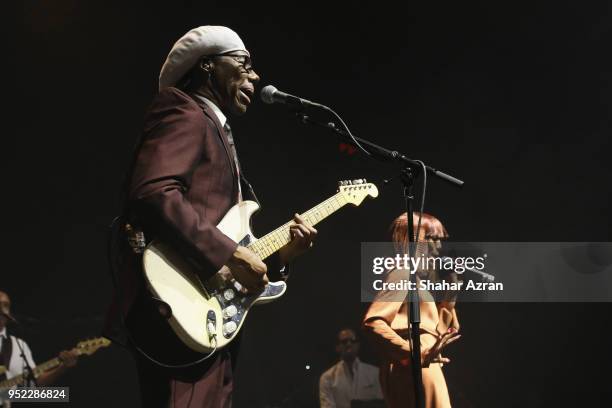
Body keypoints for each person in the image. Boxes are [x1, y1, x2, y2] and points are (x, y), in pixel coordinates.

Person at [105, 26, 317, 408]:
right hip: (176, 307)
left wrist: (279, 258)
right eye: (244, 63)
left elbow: (224, 230)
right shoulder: (184, 110)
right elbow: (154, 192)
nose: (254, 76)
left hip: (209, 313)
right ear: (207, 65)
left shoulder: (217, 130)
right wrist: (230, 256)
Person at [362, 212, 460, 408]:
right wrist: (413, 354)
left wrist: (451, 294)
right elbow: (373, 322)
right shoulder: (402, 273)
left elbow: (438, 332)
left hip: (422, 365)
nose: (439, 248)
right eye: (432, 239)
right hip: (412, 367)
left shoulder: (416, 282)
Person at [0, 290, 78, 407]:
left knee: (58, 395)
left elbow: (35, 386)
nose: (2, 308)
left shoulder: (19, 345)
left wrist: (62, 367)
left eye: (6, 305)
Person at [319, 328, 384, 408]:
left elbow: (380, 403)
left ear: (358, 345)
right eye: (344, 341)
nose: (349, 344)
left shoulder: (375, 373)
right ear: (337, 347)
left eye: (353, 341)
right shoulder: (327, 378)